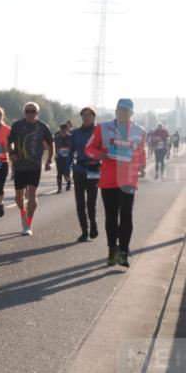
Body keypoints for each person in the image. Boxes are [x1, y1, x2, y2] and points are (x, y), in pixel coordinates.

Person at [85, 98, 147, 267]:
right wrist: (99, 155)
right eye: (119, 109)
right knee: (111, 216)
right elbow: (88, 149)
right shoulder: (103, 128)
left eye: (126, 110)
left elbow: (141, 152)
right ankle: (113, 250)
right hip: (109, 179)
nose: (122, 113)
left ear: (131, 113)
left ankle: (124, 252)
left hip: (128, 179)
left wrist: (141, 165)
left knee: (126, 215)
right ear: (115, 111)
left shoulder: (139, 130)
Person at [8, 101, 54, 236]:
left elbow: (51, 144)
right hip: (19, 166)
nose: (30, 114)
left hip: (34, 165)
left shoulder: (42, 127)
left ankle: (28, 224)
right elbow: (8, 142)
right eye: (27, 111)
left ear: (37, 113)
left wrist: (50, 160)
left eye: (32, 111)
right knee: (18, 196)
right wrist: (11, 154)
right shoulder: (17, 126)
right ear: (24, 112)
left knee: (32, 193)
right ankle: (22, 213)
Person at [70, 107, 101, 243]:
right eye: (84, 115)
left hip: (94, 168)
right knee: (80, 203)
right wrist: (66, 170)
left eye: (89, 115)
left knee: (91, 202)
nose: (87, 117)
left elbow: (105, 149)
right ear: (81, 117)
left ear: (94, 117)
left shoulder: (99, 132)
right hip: (79, 169)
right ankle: (84, 231)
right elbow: (71, 153)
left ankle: (93, 224)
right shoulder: (75, 133)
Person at [54, 122, 74, 193]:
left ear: (67, 130)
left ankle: (68, 181)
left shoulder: (71, 137)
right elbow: (54, 147)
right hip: (59, 157)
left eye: (65, 130)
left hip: (68, 158)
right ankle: (59, 189)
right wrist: (55, 154)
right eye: (62, 130)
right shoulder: (56, 138)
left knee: (66, 173)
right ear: (60, 130)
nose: (64, 132)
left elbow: (73, 147)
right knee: (59, 173)